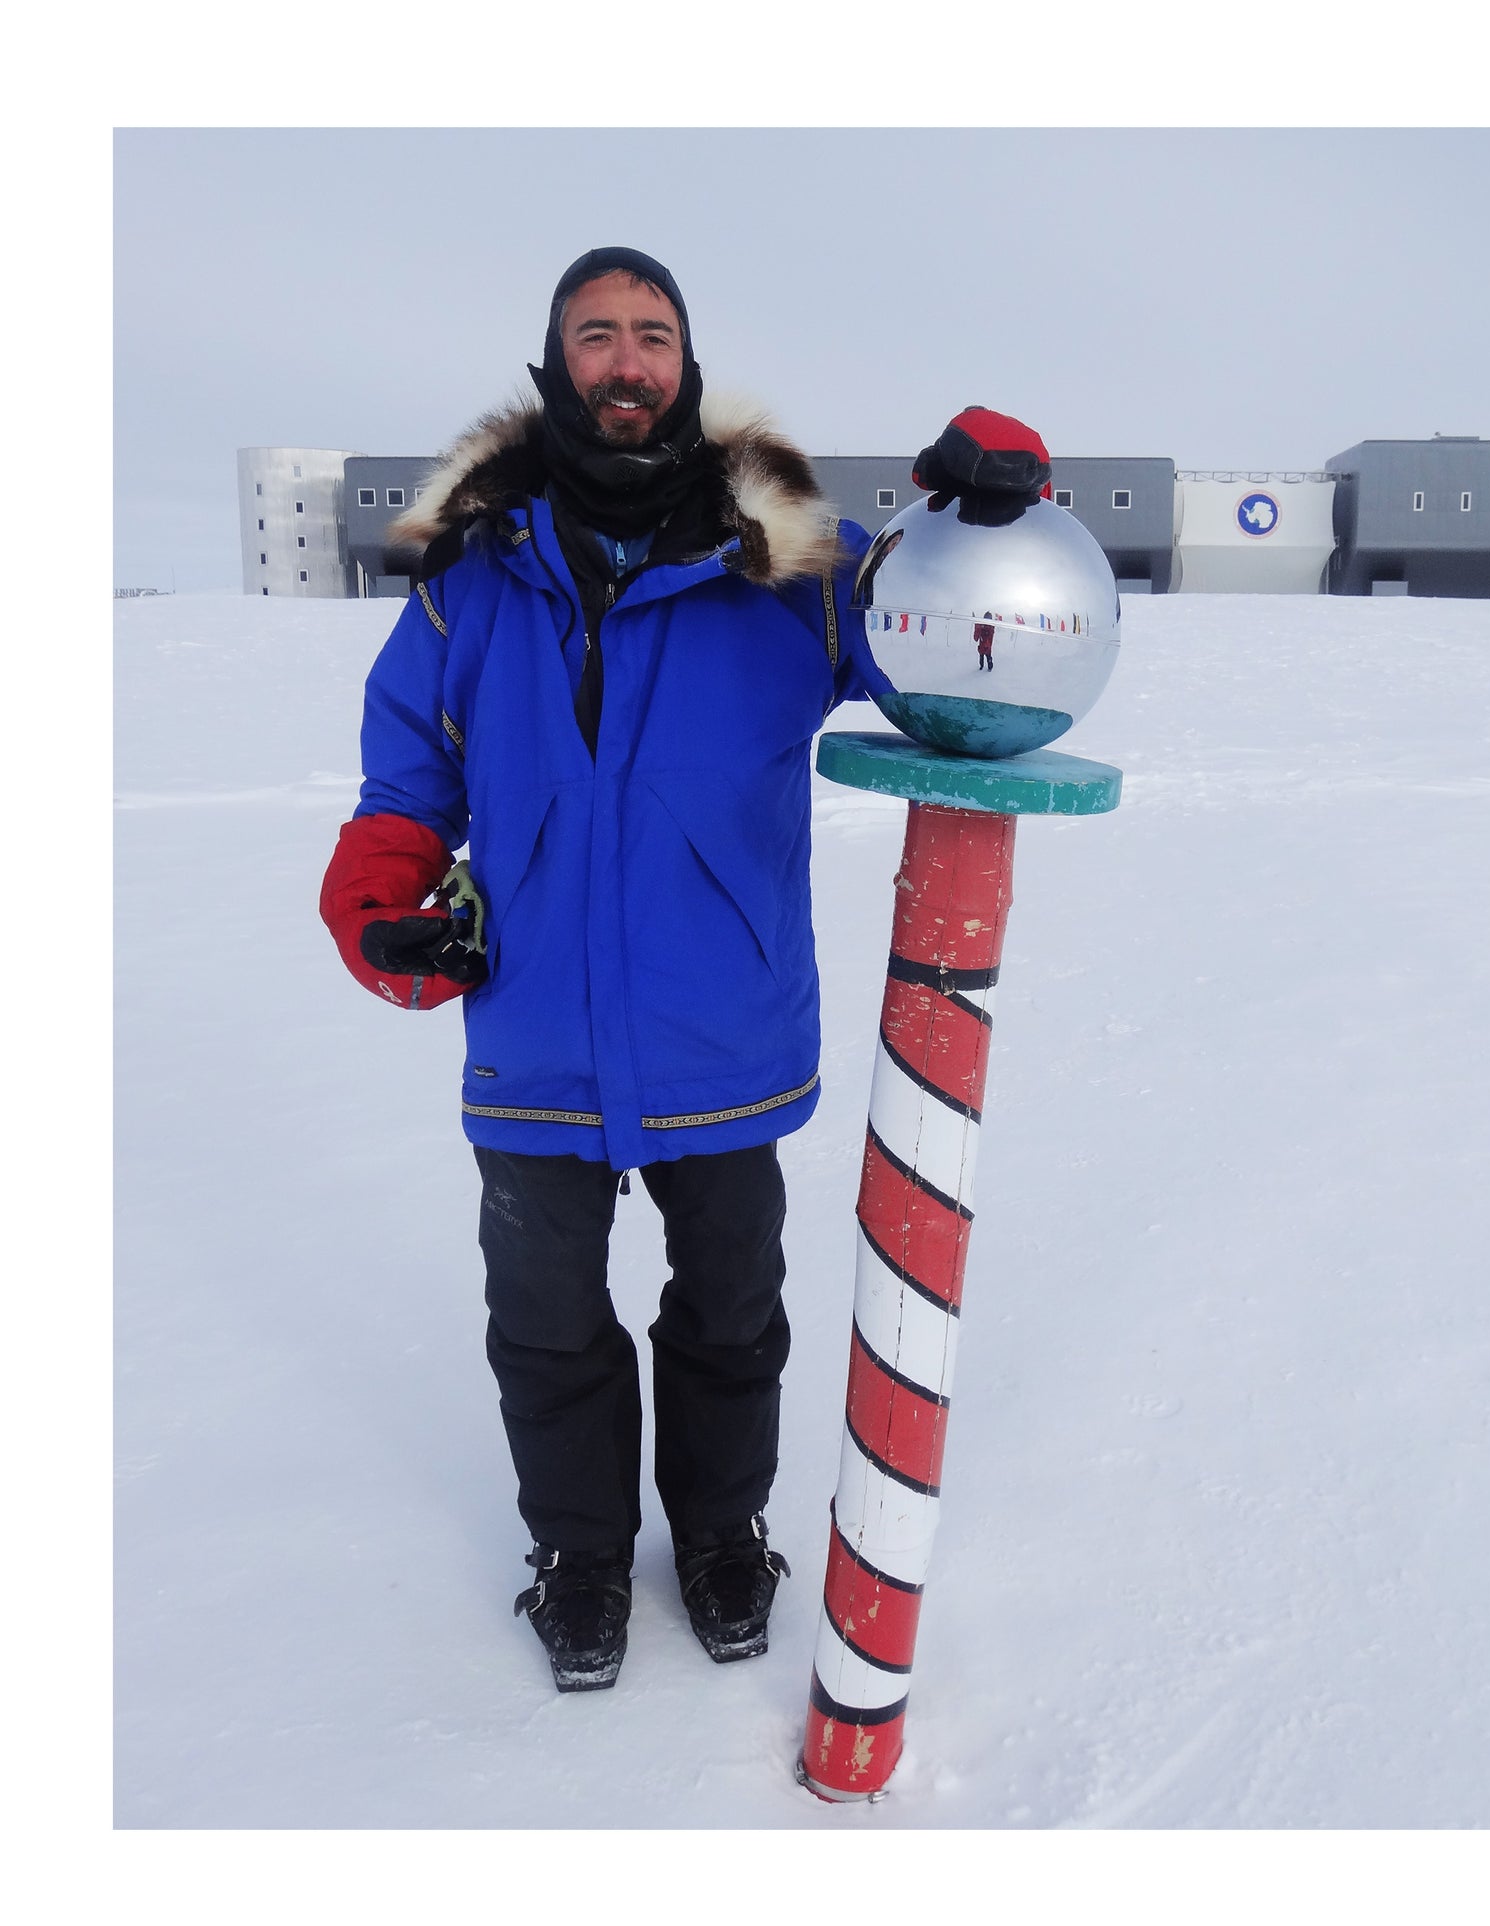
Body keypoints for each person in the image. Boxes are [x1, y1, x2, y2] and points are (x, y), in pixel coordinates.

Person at [318, 246, 1049, 1694]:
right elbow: (405, 788)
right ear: (553, 368)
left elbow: (931, 638)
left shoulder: (779, 572)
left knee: (727, 1311)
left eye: (652, 333)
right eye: (596, 334)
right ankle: (579, 1556)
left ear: (688, 366)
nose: (626, 359)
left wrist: (967, 513)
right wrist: (383, 901)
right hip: (535, 1029)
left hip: (725, 1026)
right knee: (544, 1320)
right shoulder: (473, 582)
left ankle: (722, 1534)